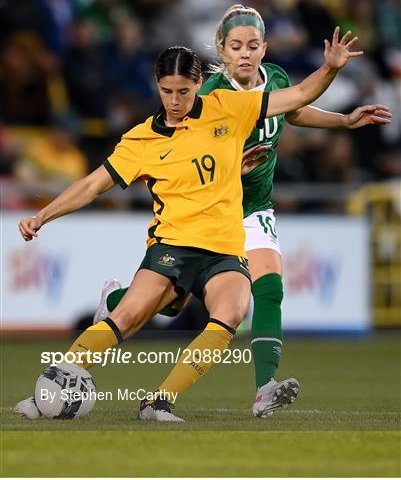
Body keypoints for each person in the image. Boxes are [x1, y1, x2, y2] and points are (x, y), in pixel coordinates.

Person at [15, 34, 367, 422]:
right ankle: (49, 387)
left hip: (224, 249)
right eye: (167, 91)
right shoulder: (141, 139)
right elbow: (91, 185)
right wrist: (43, 215)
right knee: (128, 318)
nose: (175, 101)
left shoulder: (229, 108)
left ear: (200, 85)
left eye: (184, 91)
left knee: (232, 311)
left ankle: (158, 402)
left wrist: (331, 68)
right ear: (157, 86)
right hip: (173, 247)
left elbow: (298, 96)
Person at [93, 6, 392, 419]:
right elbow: (181, 155)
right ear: (222, 49)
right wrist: (232, 166)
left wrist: (342, 120)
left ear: (264, 48)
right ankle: (116, 299)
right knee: (168, 303)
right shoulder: (210, 94)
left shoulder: (278, 78)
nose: (245, 54)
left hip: (254, 206)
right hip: (210, 207)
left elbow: (294, 109)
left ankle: (264, 387)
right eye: (236, 46)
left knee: (268, 286)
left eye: (253, 46)